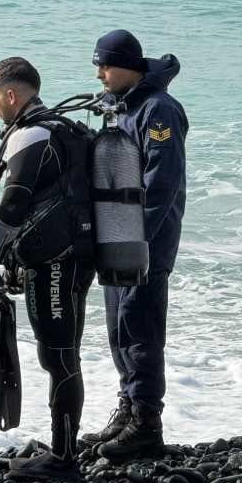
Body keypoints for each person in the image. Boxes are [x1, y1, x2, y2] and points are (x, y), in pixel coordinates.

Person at [0, 57, 96, 482]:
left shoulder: (31, 135)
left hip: (54, 267)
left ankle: (64, 459)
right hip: (76, 259)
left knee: (58, 356)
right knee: (63, 354)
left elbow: (12, 206)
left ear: (12, 94)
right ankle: (63, 449)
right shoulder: (64, 129)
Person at [80, 29, 187, 460]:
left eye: (106, 65)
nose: (100, 73)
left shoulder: (158, 110)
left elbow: (160, 184)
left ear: (130, 65)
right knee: (118, 330)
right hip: (116, 239)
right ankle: (126, 410)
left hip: (144, 243)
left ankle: (147, 423)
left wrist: (134, 238)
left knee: (140, 330)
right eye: (97, 66)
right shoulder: (121, 108)